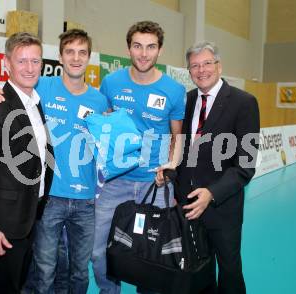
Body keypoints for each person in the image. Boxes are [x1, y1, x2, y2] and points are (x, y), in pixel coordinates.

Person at [0, 29, 109, 293]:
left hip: (85, 201)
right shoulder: (40, 88)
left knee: (79, 272)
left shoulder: (99, 100)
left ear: (89, 58)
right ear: (59, 57)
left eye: (82, 52)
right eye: (69, 51)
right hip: (48, 199)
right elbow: (11, 91)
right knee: (45, 269)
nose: (75, 58)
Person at [157, 41, 260, 294]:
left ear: (219, 66)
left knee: (229, 273)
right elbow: (182, 149)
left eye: (206, 63)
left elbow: (245, 166)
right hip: (187, 208)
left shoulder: (243, 102)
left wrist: (211, 193)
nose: (201, 70)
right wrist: (170, 171)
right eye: (194, 65)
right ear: (189, 70)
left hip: (222, 209)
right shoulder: (187, 101)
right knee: (196, 273)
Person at [91, 20, 186, 294]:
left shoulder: (174, 91)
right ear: (128, 49)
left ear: (160, 51)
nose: (144, 54)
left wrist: (172, 164)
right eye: (137, 46)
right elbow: (101, 123)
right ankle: (110, 291)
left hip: (154, 185)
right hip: (114, 184)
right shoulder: (111, 83)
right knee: (98, 252)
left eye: (151, 47)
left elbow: (176, 137)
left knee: (151, 256)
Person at [0, 32, 54, 294]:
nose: (29, 68)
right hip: (3, 226)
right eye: (22, 61)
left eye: (35, 61)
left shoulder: (34, 102)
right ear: (7, 64)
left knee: (17, 286)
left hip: (28, 217)